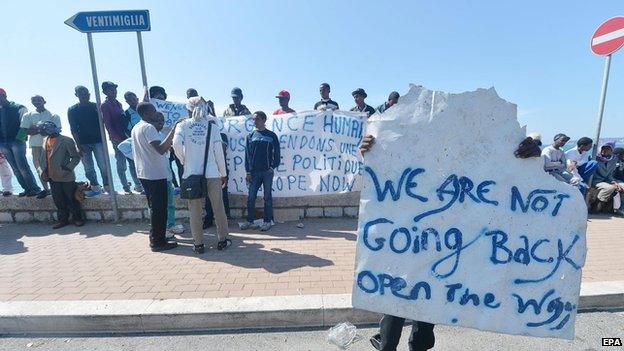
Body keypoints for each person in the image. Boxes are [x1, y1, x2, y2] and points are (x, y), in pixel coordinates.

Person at [359, 134, 436, 351]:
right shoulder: (402, 155)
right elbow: (379, 181)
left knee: (426, 309)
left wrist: (530, 160)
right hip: (400, 244)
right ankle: (386, 345)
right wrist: (369, 156)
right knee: (394, 303)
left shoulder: (445, 156)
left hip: (434, 244)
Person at [173, 97, 231, 253]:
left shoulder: (182, 125)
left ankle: (198, 244)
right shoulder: (212, 128)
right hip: (212, 174)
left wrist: (184, 159)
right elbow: (219, 153)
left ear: (188, 109)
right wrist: (223, 173)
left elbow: (176, 144)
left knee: (195, 212)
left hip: (191, 175)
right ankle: (222, 240)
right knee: (218, 208)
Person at [117, 112, 183, 239]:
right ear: (150, 119)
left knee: (167, 204)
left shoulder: (162, 134)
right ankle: (161, 231)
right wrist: (139, 158)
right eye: (157, 120)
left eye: (162, 120)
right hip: (154, 176)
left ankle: (169, 225)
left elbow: (165, 153)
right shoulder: (146, 131)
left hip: (165, 175)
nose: (160, 122)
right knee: (156, 206)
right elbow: (123, 146)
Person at [132, 102, 179, 252]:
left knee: (155, 208)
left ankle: (158, 238)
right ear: (146, 113)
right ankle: (158, 242)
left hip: (145, 174)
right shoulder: (148, 128)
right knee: (159, 210)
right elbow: (161, 149)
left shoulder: (136, 127)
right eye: (153, 111)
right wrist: (173, 131)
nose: (156, 113)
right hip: (154, 175)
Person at [37, 121, 84, 229]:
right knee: (58, 200)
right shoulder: (45, 140)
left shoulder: (67, 140)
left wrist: (67, 169)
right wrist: (42, 171)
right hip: (51, 176)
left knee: (71, 198)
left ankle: (78, 218)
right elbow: (41, 159)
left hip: (66, 176)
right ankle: (63, 220)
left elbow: (76, 157)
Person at [240, 111, 280, 231]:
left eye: (257, 119)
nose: (254, 122)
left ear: (263, 120)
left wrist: (273, 166)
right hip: (254, 173)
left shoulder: (272, 135)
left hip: (267, 172)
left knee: (267, 197)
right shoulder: (250, 136)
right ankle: (249, 221)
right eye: (253, 119)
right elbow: (247, 155)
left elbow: (277, 154)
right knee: (251, 197)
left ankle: (267, 221)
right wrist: (248, 171)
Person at [0, 88, 42, 197]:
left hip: (17, 142)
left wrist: (20, 139)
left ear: (4, 95)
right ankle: (26, 189)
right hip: (3, 144)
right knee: (15, 169)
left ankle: (34, 189)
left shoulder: (19, 107)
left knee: (23, 167)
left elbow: (26, 124)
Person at [68, 85, 109, 197]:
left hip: (98, 141)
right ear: (76, 95)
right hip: (83, 143)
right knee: (88, 168)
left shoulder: (96, 106)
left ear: (89, 94)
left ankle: (107, 187)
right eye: (81, 93)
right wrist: (78, 146)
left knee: (103, 165)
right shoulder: (72, 110)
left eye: (86, 93)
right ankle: (96, 188)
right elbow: (73, 129)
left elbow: (104, 123)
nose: (84, 95)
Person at [20, 95, 62, 198]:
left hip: (51, 145)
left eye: (39, 99)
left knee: (53, 167)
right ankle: (46, 189)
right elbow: (25, 130)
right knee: (39, 168)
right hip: (36, 146)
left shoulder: (54, 115)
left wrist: (36, 129)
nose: (36, 101)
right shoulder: (27, 115)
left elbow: (57, 130)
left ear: (44, 101)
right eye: (34, 100)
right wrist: (42, 129)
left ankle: (56, 188)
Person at [101, 81, 136, 194]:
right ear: (105, 92)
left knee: (132, 162)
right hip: (117, 139)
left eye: (114, 89)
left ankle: (137, 185)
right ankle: (125, 187)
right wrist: (116, 138)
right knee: (121, 164)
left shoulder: (118, 103)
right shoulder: (105, 105)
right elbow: (108, 124)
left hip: (126, 137)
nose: (114, 91)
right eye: (110, 89)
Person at [591, 142, 624, 216]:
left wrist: (613, 182)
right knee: (609, 188)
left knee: (621, 186)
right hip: (597, 180)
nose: (604, 151)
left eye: (607, 149)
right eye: (603, 148)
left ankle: (620, 208)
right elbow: (594, 174)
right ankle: (596, 204)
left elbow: (609, 174)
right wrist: (612, 184)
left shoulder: (613, 159)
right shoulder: (595, 158)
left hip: (608, 179)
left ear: (611, 150)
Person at [123, 91, 143, 193]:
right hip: (134, 141)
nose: (132, 101)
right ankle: (138, 185)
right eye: (129, 100)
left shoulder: (144, 109)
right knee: (133, 164)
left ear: (137, 98)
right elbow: (125, 129)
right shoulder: (126, 114)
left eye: (134, 98)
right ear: (127, 101)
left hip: (148, 141)